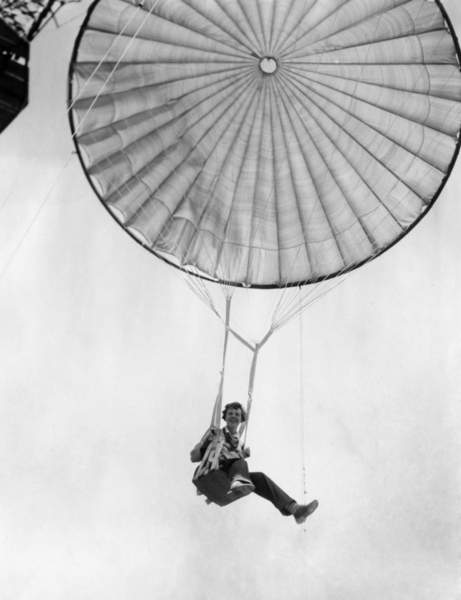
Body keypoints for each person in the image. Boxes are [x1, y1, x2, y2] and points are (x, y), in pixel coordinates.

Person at [191, 401, 319, 524]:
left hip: (228, 480)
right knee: (240, 462)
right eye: (230, 413)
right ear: (225, 417)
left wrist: (240, 454)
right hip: (213, 473)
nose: (234, 416)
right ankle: (240, 482)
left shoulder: (240, 444)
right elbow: (194, 457)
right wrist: (201, 444)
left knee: (260, 477)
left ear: (241, 419)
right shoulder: (216, 435)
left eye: (237, 414)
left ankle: (295, 510)